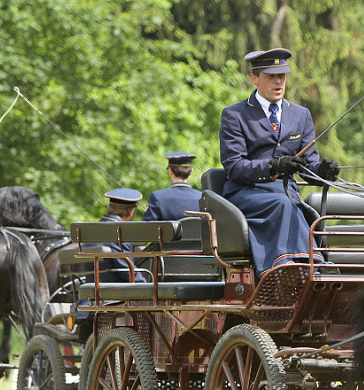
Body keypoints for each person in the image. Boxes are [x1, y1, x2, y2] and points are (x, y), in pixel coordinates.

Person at [219, 47, 340, 274]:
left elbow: (308, 166)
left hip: (286, 194)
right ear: (254, 78)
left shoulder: (301, 114)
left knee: (298, 208)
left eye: (282, 76)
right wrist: (272, 166)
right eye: (271, 76)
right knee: (284, 205)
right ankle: (285, 269)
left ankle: (307, 267)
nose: (278, 82)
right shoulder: (235, 115)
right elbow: (234, 166)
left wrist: (322, 171)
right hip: (247, 194)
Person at [99, 188, 146, 283]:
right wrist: (147, 285)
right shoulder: (119, 233)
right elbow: (128, 272)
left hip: (91, 292)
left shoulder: (91, 229)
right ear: (131, 212)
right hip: (114, 293)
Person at [142, 152, 200, 221]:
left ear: (170, 171)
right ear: (191, 171)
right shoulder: (202, 198)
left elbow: (147, 229)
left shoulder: (157, 197)